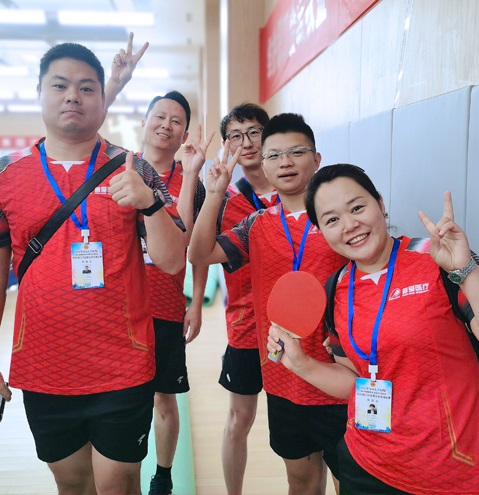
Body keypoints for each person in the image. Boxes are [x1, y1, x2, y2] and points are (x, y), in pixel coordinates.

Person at [0, 42, 187, 495]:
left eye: (86, 88)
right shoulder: (7, 175)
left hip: (123, 364)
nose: (72, 96)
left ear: (103, 99)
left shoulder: (135, 168)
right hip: (43, 365)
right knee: (72, 484)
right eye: (59, 85)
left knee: (119, 485)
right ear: (39, 92)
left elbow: (171, 259)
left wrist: (150, 204)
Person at [267, 163, 479, 494]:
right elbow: (354, 380)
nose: (350, 225)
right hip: (367, 465)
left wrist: (465, 269)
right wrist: (301, 364)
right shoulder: (336, 289)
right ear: (321, 230)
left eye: (357, 208)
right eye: (332, 220)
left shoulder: (437, 258)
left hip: (453, 469)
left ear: (380, 203)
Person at [189, 113, 349, 495]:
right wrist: (214, 194)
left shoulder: (340, 219)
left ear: (317, 159)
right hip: (284, 377)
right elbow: (198, 254)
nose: (286, 162)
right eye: (274, 155)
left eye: (297, 152)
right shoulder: (256, 225)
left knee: (349, 480)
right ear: (263, 165)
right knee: (301, 481)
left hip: (342, 375)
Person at [104, 39, 212, 495]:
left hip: (166, 306)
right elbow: (83, 128)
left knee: (165, 398)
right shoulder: (118, 167)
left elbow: (193, 247)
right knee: (120, 397)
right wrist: (114, 84)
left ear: (184, 133)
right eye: (160, 116)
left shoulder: (193, 183)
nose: (167, 125)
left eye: (177, 120)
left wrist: (196, 302)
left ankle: (163, 477)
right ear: (145, 122)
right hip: (117, 306)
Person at [217, 103, 278, 495]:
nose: (247, 142)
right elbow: (200, 251)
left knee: (318, 423)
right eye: (236, 136)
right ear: (228, 146)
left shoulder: (299, 190)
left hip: (302, 326)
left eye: (254, 132)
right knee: (240, 418)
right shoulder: (223, 199)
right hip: (246, 326)